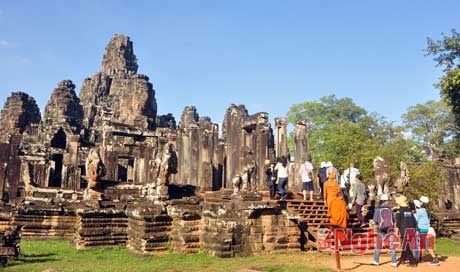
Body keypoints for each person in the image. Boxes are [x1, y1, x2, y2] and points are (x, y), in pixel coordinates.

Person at [371, 194, 397, 267]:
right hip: (390, 229)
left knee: (378, 244)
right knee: (391, 244)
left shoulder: (378, 209)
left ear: (382, 200)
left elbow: (375, 220)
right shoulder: (390, 210)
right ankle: (394, 261)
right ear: (387, 201)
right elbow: (393, 220)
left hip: (381, 229)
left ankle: (376, 261)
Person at [413, 199, 439, 265]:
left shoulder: (420, 211)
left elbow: (415, 220)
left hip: (422, 229)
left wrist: (413, 213)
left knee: (425, 244)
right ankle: (421, 258)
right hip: (427, 228)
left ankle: (434, 258)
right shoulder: (425, 210)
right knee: (423, 244)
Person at [396, 195, 418, 267]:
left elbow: (398, 223)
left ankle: (412, 261)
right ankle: (403, 258)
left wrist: (397, 232)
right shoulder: (409, 210)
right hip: (412, 229)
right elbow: (414, 222)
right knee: (406, 245)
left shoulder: (399, 211)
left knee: (406, 245)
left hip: (404, 230)